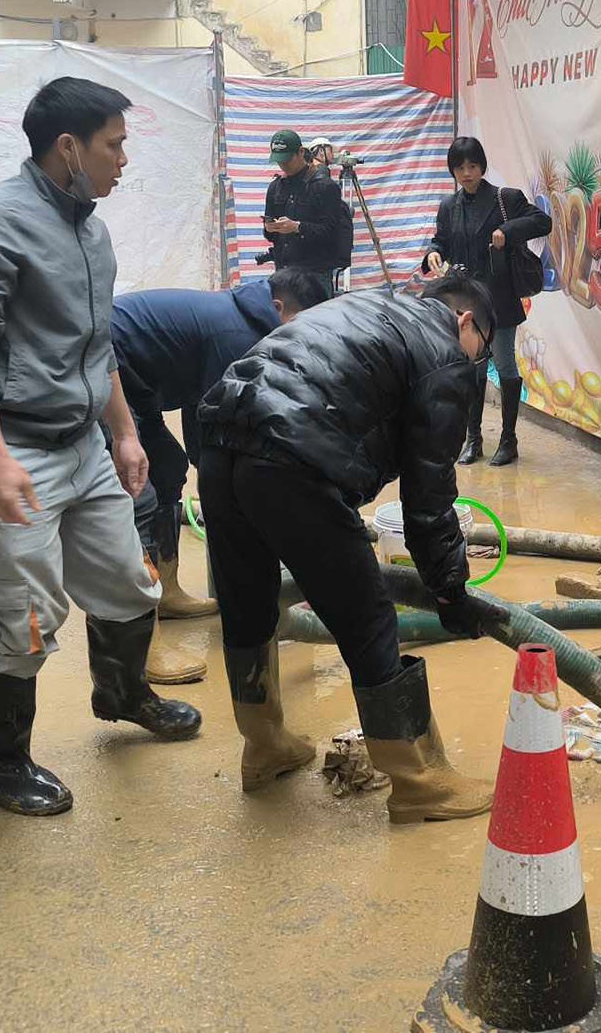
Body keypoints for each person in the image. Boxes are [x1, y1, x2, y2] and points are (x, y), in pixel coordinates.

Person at [0, 77, 200, 818]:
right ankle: (0, 762)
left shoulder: (91, 226)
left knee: (128, 580)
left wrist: (122, 430)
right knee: (26, 613)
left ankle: (121, 692)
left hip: (85, 442)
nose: (124, 158)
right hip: (14, 445)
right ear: (68, 147)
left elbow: (98, 345)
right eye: (113, 144)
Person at [195, 274, 496, 820]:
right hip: (289, 456)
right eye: (482, 351)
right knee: (368, 616)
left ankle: (264, 746)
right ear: (467, 322)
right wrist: (451, 590)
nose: (477, 364)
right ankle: (419, 780)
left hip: (219, 438)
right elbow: (428, 494)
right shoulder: (444, 350)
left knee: (248, 600)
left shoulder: (371, 306)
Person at [110, 265, 334, 685]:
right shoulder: (237, 334)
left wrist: (203, 463)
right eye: (302, 323)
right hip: (104, 372)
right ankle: (139, 645)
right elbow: (220, 418)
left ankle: (168, 591)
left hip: (138, 382)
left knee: (168, 467)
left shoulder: (243, 319)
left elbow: (205, 403)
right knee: (136, 493)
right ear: (279, 307)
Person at [420, 135, 551, 467]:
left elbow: (542, 221)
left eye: (472, 166)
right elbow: (441, 242)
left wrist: (507, 230)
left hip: (501, 300)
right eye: (460, 168)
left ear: (482, 167)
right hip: (466, 303)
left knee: (505, 364)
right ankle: (473, 439)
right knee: (471, 369)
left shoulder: (504, 198)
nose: (466, 173)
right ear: (452, 170)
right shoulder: (449, 206)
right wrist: (434, 254)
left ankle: (509, 441)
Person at [261, 128, 353, 285]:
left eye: (287, 159)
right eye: (279, 160)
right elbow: (271, 235)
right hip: (284, 274)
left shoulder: (324, 187)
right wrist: (270, 228)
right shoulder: (275, 188)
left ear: (301, 152)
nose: (283, 165)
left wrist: (298, 227)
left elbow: (331, 232)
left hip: (315, 277)